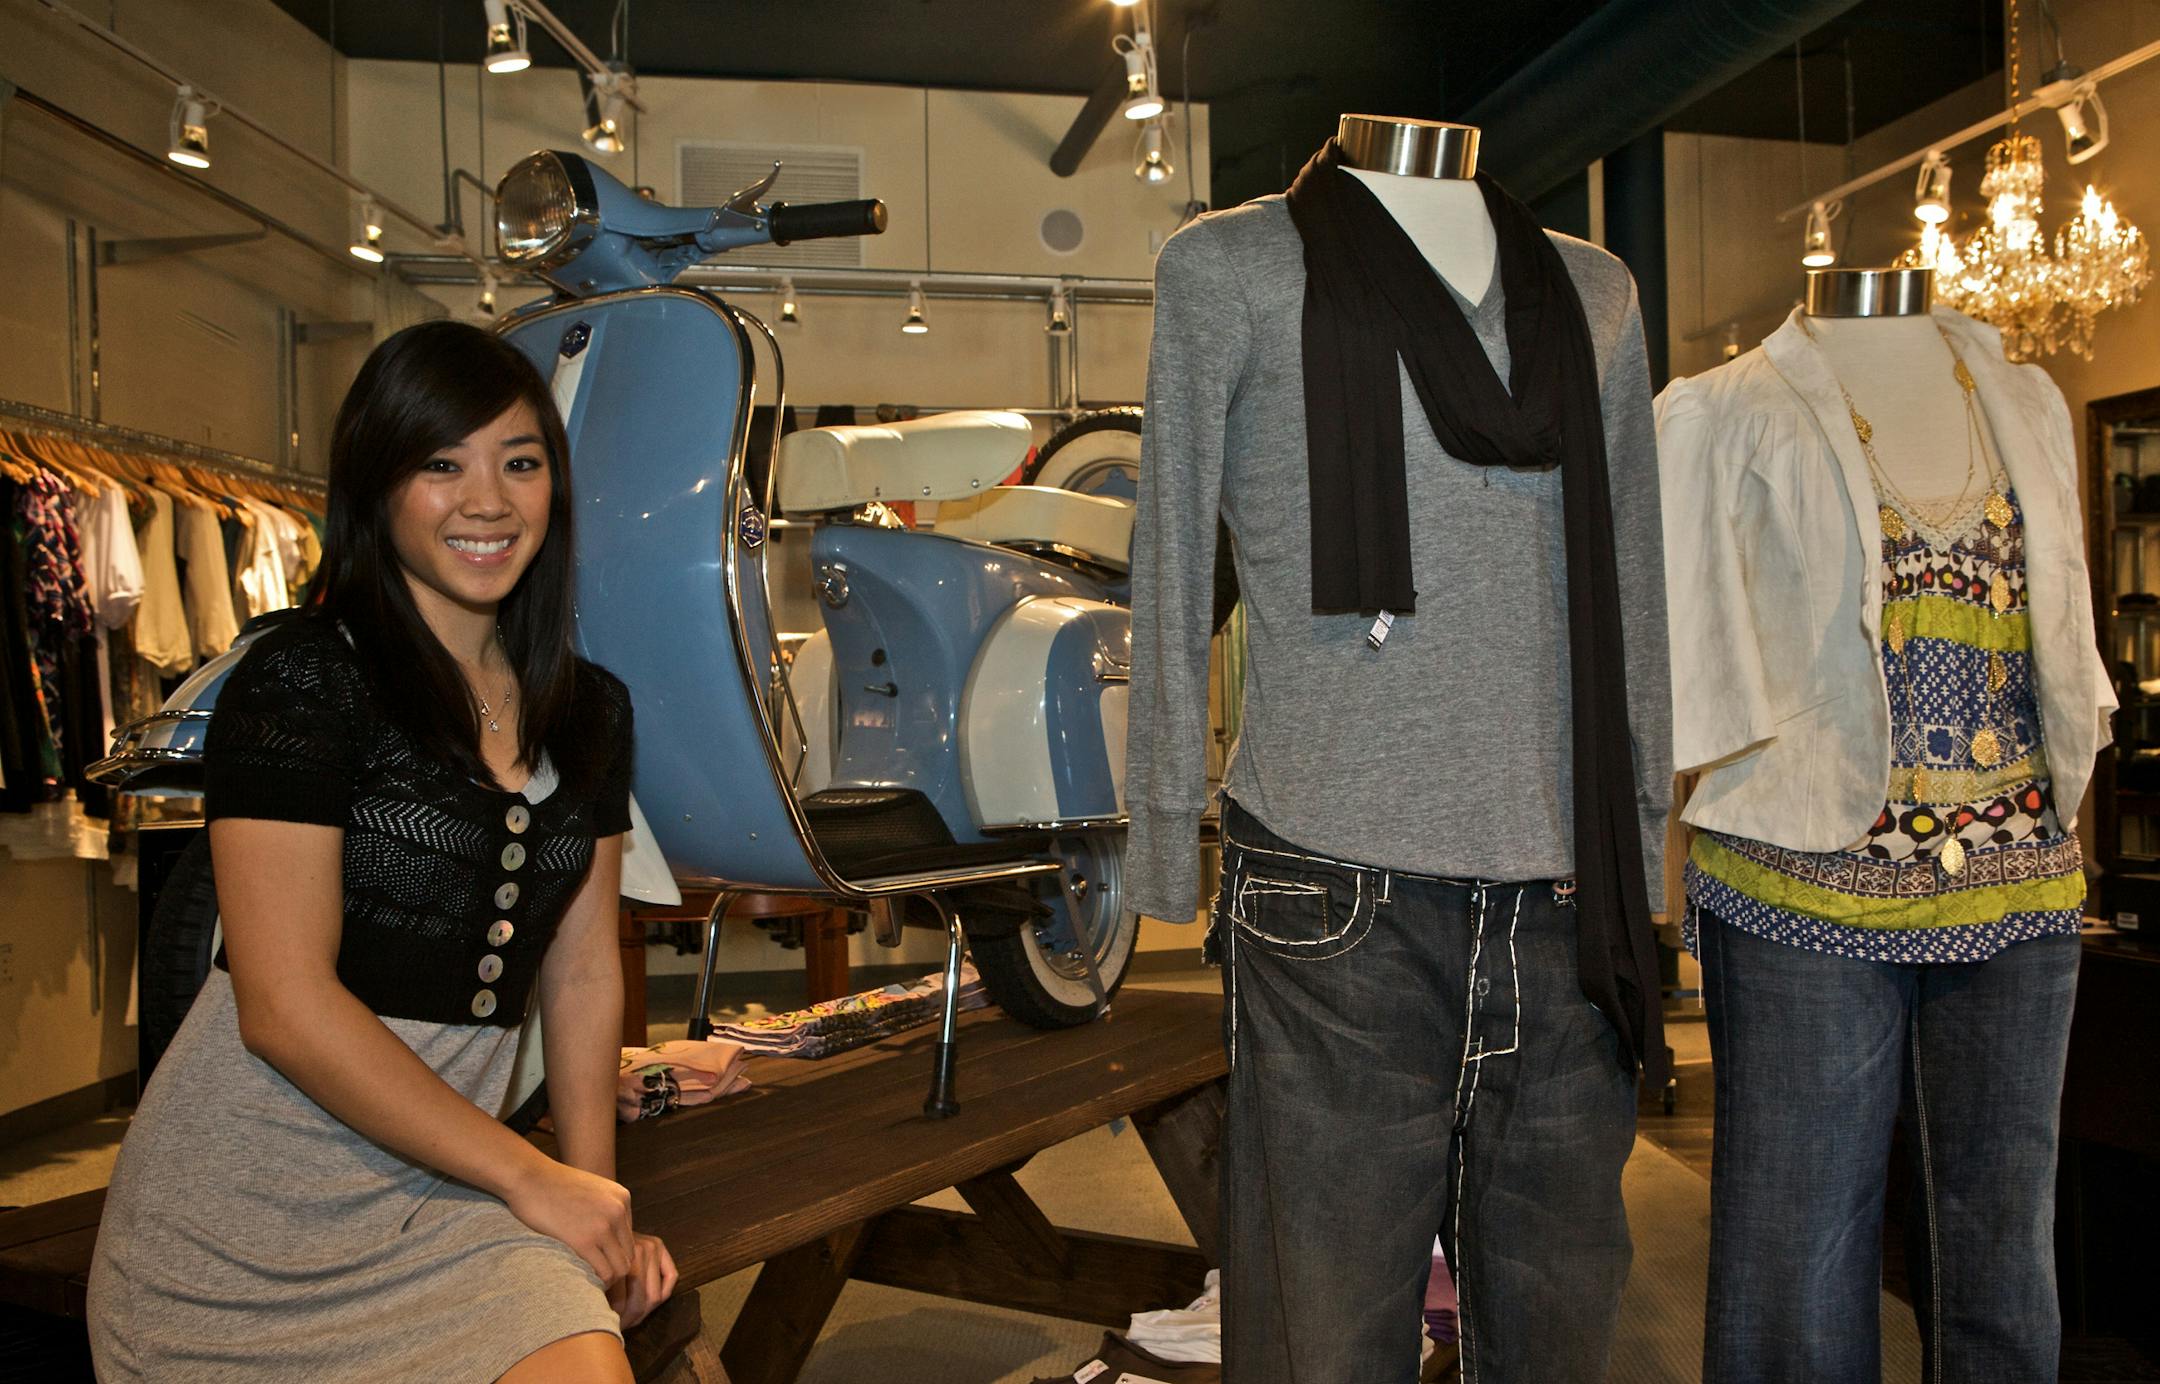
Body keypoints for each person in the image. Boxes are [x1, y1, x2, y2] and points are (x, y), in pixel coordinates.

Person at [87, 320, 674, 1382]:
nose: (488, 500)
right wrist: (532, 1178)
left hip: (446, 1199)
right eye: (440, 463)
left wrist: (595, 1204)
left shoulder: (590, 711)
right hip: (235, 1219)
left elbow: (583, 970)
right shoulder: (304, 681)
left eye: (521, 462)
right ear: (377, 485)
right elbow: (283, 1005)